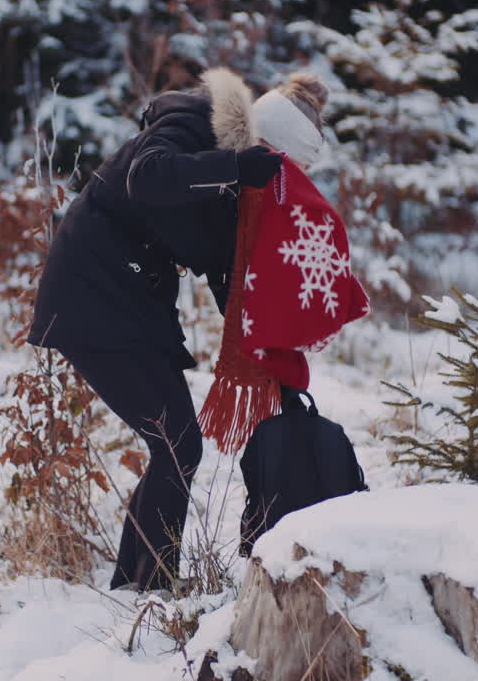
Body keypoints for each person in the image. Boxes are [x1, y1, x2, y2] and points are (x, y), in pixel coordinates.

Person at [27, 67, 329, 592]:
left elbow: (225, 277)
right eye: (283, 166)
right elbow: (147, 176)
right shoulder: (190, 123)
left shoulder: (231, 188)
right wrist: (237, 167)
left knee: (176, 444)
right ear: (266, 146)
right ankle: (149, 585)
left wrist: (272, 362)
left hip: (133, 305)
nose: (282, 180)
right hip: (90, 297)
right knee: (178, 443)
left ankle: (138, 582)